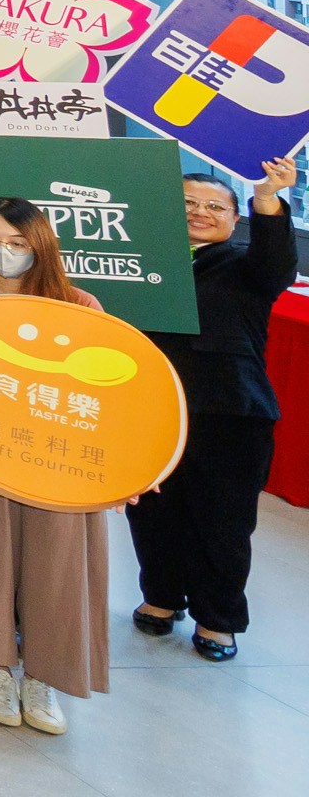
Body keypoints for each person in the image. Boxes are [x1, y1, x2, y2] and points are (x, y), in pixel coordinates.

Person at [0, 198, 109, 732]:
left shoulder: (77, 303)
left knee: (57, 566)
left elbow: (105, 394)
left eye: (16, 242)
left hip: (57, 462)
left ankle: (45, 677)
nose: (2, 252)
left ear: (39, 244)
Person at [130, 159, 298, 661]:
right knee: (152, 510)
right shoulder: (138, 259)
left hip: (230, 413)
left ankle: (217, 618)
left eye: (213, 206)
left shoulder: (245, 265)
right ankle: (160, 597)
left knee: (222, 521)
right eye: (186, 204)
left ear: (233, 218)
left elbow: (277, 263)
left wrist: (267, 198)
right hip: (152, 405)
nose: (200, 213)